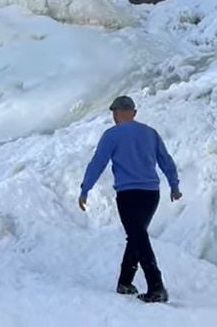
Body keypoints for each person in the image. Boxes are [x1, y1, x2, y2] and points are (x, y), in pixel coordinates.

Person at [78, 95, 182, 303]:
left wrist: (85, 189)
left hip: (128, 194)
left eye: (114, 113)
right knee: (137, 235)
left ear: (116, 113)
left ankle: (156, 286)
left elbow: (97, 163)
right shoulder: (150, 133)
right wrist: (174, 184)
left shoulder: (112, 135)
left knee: (138, 236)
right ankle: (125, 282)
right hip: (151, 194)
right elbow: (165, 160)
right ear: (133, 113)